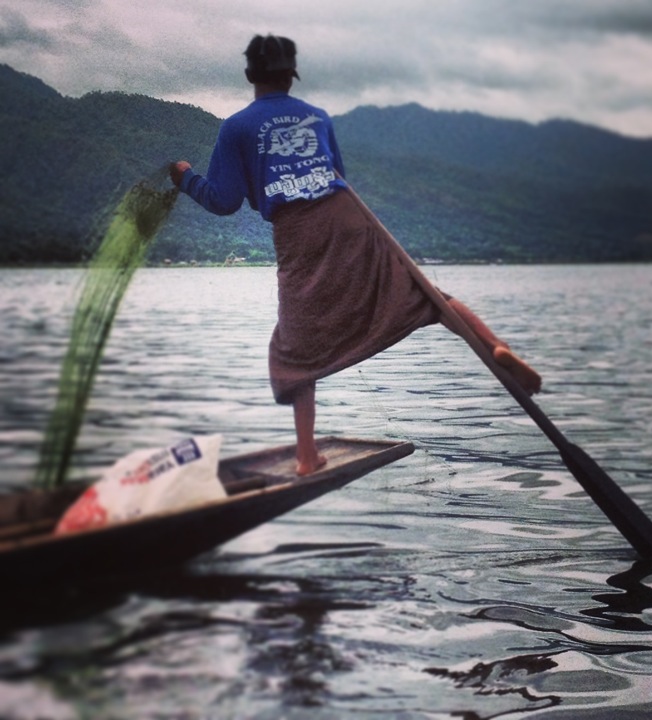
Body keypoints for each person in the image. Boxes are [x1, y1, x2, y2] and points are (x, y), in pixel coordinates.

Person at [171, 34, 541, 476]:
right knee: (427, 295)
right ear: (291, 75)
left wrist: (185, 177)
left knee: (292, 349)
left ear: (251, 75)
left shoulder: (237, 126)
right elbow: (337, 175)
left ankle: (307, 456)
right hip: (350, 216)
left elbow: (224, 200)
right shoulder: (317, 116)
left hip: (299, 232)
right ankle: (494, 345)